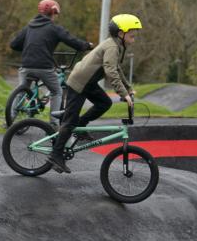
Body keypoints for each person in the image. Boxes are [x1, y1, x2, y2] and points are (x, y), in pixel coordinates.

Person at [47, 13, 142, 174]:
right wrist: (123, 93)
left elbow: (117, 68)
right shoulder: (112, 47)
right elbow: (111, 71)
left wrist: (128, 88)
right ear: (121, 33)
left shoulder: (116, 45)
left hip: (87, 83)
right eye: (132, 34)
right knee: (69, 122)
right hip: (79, 83)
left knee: (104, 103)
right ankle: (55, 155)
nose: (134, 38)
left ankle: (80, 125)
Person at [9, 0, 93, 127]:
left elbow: (14, 45)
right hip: (44, 67)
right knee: (57, 91)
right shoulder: (54, 28)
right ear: (53, 13)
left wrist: (27, 47)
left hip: (26, 66)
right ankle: (54, 124)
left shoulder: (29, 27)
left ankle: (9, 119)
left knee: (22, 91)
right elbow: (71, 40)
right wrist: (86, 46)